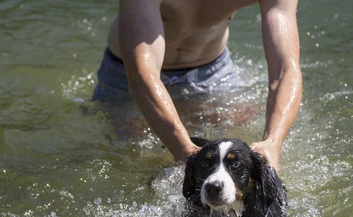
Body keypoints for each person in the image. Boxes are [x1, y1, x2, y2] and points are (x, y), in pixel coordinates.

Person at [92, 0, 302, 172]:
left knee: (236, 155)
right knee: (134, 161)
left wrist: (273, 142)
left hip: (213, 73)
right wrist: (183, 149)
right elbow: (141, 76)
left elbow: (286, 69)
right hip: (126, 74)